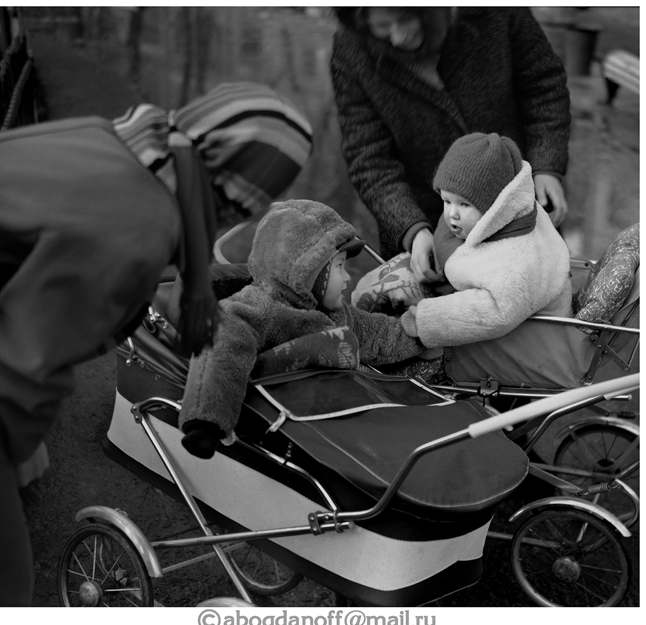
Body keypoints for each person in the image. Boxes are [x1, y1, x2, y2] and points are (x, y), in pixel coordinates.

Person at [0, 81, 313, 606]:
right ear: (231, 195)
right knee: (4, 581)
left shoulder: (111, 144)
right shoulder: (138, 223)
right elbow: (24, 363)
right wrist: (17, 447)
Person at [330, 7, 571, 284]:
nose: (397, 37)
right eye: (383, 25)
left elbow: (544, 86)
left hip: (518, 212)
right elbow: (369, 160)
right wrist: (411, 229)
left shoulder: (498, 11)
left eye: (408, 16)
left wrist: (546, 166)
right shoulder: (351, 49)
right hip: (427, 228)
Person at [177, 199, 430, 458]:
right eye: (339, 266)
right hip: (279, 420)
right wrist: (206, 423)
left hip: (330, 410)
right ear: (308, 270)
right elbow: (222, 345)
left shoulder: (336, 312)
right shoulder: (259, 307)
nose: (347, 277)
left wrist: (421, 329)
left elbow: (376, 334)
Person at [398, 132, 573, 348]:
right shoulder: (508, 216)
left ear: (495, 206)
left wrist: (425, 320)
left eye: (464, 204)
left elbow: (494, 312)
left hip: (534, 345)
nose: (452, 213)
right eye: (446, 200)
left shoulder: (517, 261)